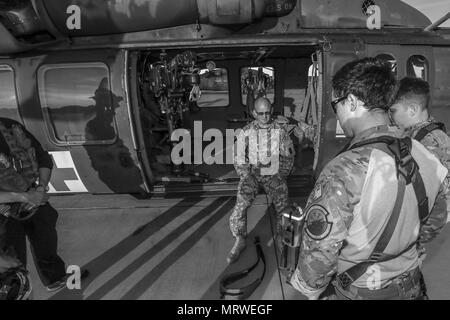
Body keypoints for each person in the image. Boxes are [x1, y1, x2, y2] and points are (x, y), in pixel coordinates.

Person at [289, 58, 449, 300]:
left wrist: (308, 287)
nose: (338, 115)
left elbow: (319, 253)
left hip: (362, 290)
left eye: (336, 105)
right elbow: (439, 214)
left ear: (351, 101)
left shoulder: (344, 169)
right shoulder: (424, 153)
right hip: (413, 285)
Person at [0, 117, 87, 292]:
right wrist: (25, 197)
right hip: (5, 211)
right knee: (12, 262)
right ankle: (14, 291)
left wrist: (40, 188)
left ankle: (55, 279)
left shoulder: (10, 126)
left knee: (45, 237)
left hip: (33, 197)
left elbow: (42, 157)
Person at [228, 97, 313, 264]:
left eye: (268, 112)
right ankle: (240, 238)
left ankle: (283, 238)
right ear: (254, 113)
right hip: (253, 173)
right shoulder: (246, 131)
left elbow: (288, 156)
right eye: (261, 113)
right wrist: (245, 174)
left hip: (273, 174)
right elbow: (238, 156)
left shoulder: (279, 131)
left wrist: (282, 174)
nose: (265, 116)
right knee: (240, 205)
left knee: (283, 207)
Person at [390, 77, 450, 223]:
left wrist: (418, 239)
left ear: (412, 110)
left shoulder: (427, 142)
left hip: (431, 230)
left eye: (393, 111)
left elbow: (438, 199)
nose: (390, 117)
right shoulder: (426, 135)